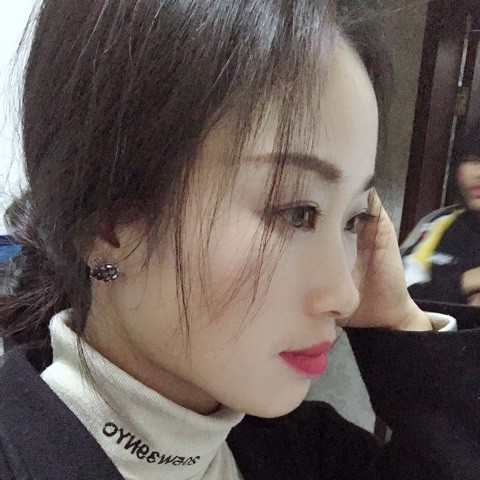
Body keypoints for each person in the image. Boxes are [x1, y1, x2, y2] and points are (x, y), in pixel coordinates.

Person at [0, 1, 479, 479]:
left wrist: (401, 321)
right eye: (297, 212)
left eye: (354, 220)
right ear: (109, 224)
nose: (345, 295)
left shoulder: (310, 454)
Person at [402, 125, 480, 306]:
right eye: (471, 160)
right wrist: (465, 281)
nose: (477, 173)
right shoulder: (440, 223)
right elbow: (396, 296)